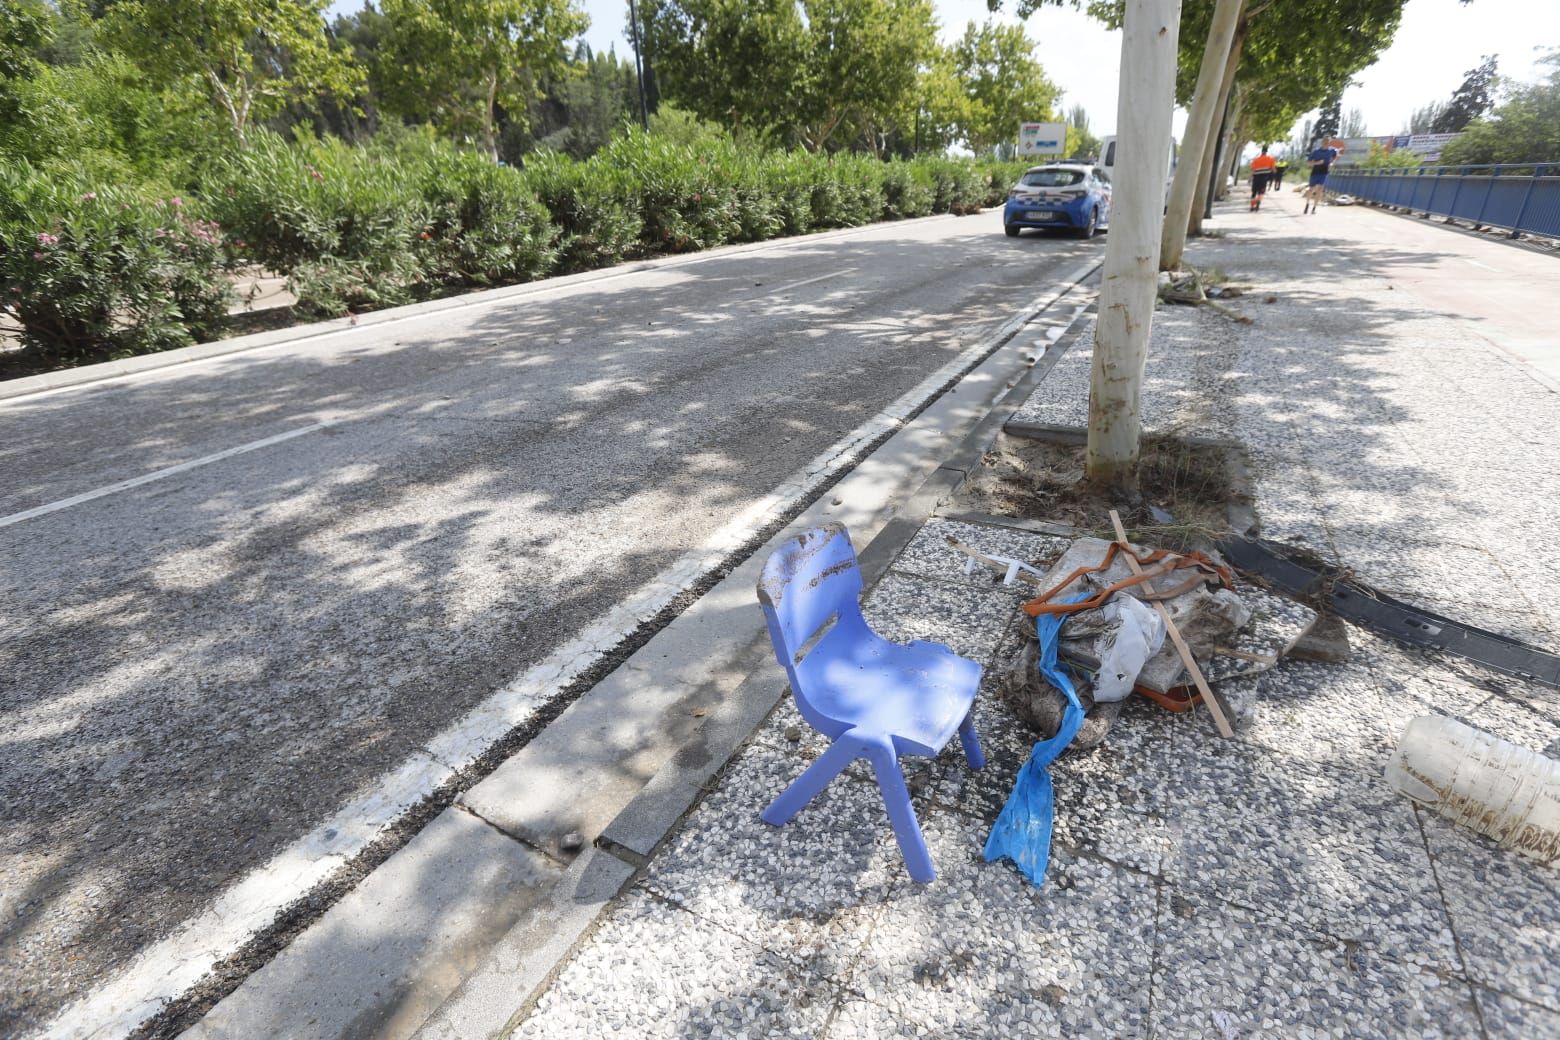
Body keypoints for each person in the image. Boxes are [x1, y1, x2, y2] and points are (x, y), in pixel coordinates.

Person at [1304, 137, 1343, 214]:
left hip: (1324, 172)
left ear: (1329, 142)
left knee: (1320, 189)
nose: (1326, 143)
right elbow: (1308, 163)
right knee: (1311, 189)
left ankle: (1314, 208)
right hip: (1315, 172)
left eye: (1328, 141)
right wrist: (1317, 163)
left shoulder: (1331, 150)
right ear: (1322, 142)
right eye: (1325, 141)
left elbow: (1337, 155)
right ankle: (1307, 204)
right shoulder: (1316, 152)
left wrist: (1332, 163)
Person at [1249, 145, 1277, 211]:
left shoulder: (1255, 159)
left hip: (1256, 178)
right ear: (1267, 151)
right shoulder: (1271, 159)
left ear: (1262, 151)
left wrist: (1250, 178)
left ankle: (1252, 207)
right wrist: (1275, 175)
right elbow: (1273, 169)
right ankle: (1258, 202)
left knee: (1254, 193)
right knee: (1261, 192)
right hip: (1264, 178)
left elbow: (1252, 170)